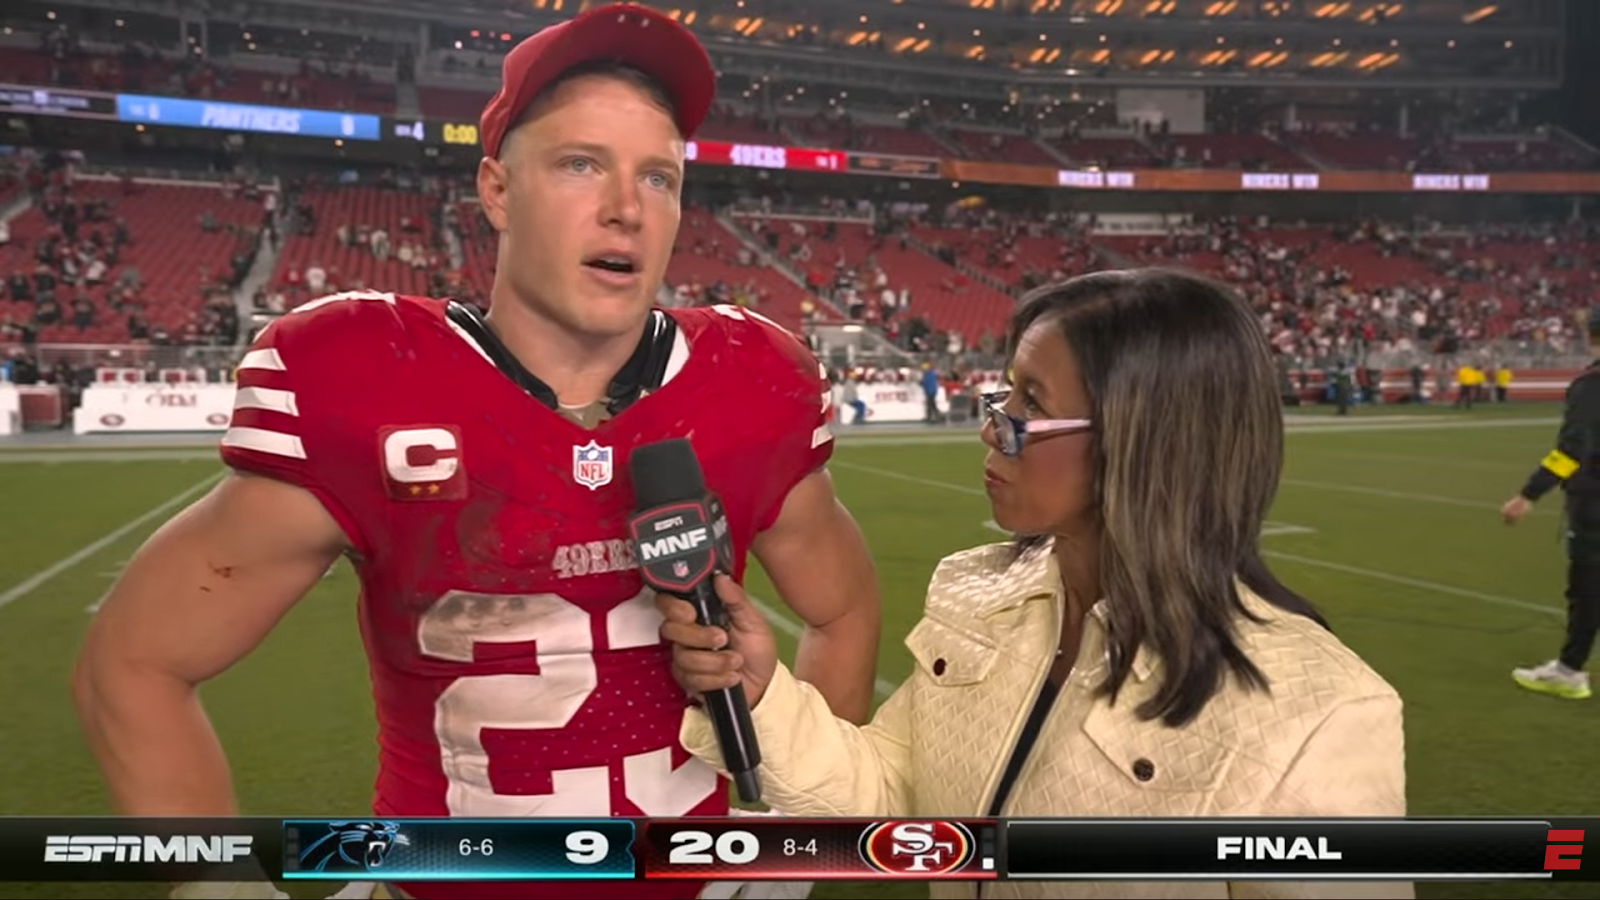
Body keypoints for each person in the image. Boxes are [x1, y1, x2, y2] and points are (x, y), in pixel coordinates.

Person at [69, 7, 882, 900]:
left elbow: (843, 611)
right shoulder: (369, 376)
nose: (626, 208)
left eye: (659, 177)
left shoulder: (750, 379)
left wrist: (797, 842)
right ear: (497, 190)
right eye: (581, 164)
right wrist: (219, 886)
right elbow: (134, 663)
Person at [660, 269, 1412, 900]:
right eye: (1006, 395)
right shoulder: (976, 597)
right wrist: (762, 695)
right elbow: (895, 791)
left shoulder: (1318, 713)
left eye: (1032, 405)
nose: (993, 427)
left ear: (1140, 438)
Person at [1500, 308, 1600, 701]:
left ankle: (1569, 671)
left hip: (1594, 503)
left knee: (1588, 588)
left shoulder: (1590, 385)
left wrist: (1529, 494)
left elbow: (1571, 450)